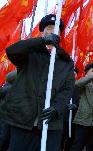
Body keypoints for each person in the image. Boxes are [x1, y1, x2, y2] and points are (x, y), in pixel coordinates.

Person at [0, 14, 75, 151]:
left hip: (50, 124)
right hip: (23, 120)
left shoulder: (66, 62)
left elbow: (67, 89)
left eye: (57, 29)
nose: (53, 31)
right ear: (42, 32)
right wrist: (41, 42)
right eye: (49, 28)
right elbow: (12, 51)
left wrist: (57, 108)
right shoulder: (30, 53)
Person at [70, 63, 93, 151]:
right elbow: (77, 84)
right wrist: (92, 77)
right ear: (86, 74)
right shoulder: (83, 85)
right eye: (92, 71)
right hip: (83, 121)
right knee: (78, 145)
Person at [0, 70, 17, 151]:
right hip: (8, 117)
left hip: (4, 115)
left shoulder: (5, 88)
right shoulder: (12, 90)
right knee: (4, 137)